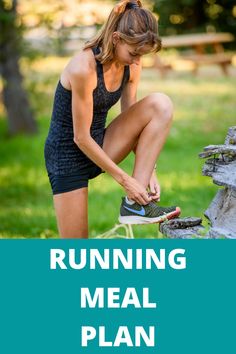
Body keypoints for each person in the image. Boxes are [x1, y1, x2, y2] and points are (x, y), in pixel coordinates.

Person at [44, 0, 181, 239]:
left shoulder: (131, 64)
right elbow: (81, 137)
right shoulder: (83, 67)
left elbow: (134, 118)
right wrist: (126, 180)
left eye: (142, 55)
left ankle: (135, 205)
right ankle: (132, 196)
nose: (138, 61)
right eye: (134, 53)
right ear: (116, 38)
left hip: (101, 143)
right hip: (68, 155)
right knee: (76, 252)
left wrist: (149, 173)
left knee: (161, 104)